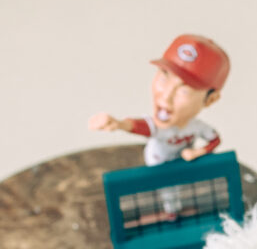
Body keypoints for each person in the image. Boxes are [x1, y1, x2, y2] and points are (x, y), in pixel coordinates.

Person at [88, 33, 229, 163]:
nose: (166, 96)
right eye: (163, 79)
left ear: (211, 99)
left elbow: (215, 140)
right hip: (156, 169)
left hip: (181, 169)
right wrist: (119, 124)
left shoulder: (196, 127)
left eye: (184, 90)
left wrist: (198, 152)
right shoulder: (159, 129)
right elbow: (141, 126)